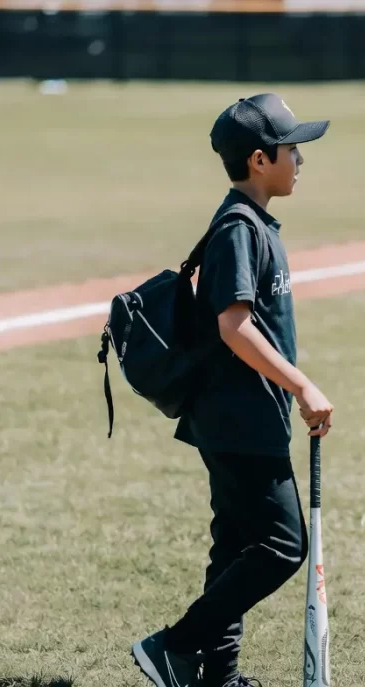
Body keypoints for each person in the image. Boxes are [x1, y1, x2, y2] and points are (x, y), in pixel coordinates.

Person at [130, 93, 336, 687]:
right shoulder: (238, 229)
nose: (300, 159)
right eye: (291, 149)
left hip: (242, 415)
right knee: (281, 545)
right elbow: (234, 325)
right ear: (258, 159)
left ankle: (216, 677)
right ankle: (173, 646)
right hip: (239, 419)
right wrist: (302, 386)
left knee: (234, 548)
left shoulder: (251, 223)